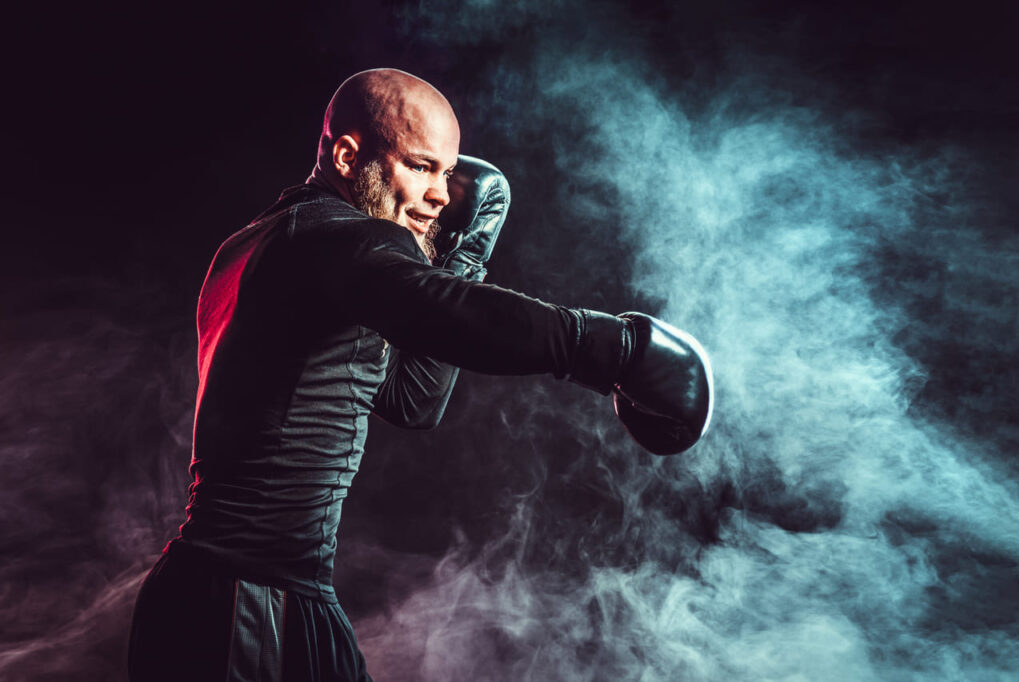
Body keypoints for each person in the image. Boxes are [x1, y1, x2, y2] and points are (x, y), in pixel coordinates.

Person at [128, 68, 712, 682]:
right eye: (421, 167)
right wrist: (617, 350)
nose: (441, 195)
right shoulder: (333, 239)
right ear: (349, 156)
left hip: (263, 591)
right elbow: (442, 313)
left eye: (447, 172)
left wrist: (463, 254)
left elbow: (413, 399)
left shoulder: (266, 246)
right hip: (242, 599)